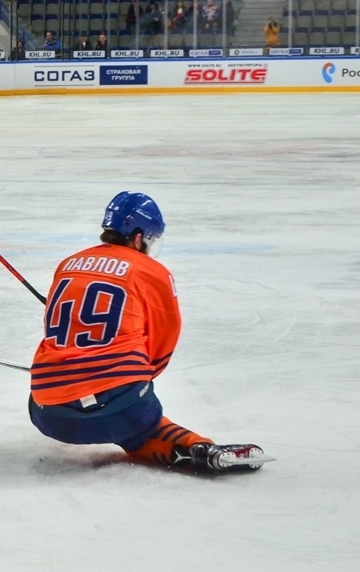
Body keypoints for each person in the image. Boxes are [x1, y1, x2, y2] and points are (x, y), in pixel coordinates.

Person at [28, 192, 268, 473]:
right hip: (120, 412)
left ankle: (131, 422)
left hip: (47, 414)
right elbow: (162, 341)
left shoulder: (67, 264)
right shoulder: (151, 271)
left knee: (118, 413)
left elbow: (54, 328)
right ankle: (197, 447)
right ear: (138, 237)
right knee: (137, 425)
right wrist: (134, 379)